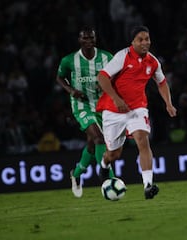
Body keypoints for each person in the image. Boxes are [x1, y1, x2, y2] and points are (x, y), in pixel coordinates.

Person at [96, 25, 177, 199]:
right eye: (140, 39)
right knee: (114, 154)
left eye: (147, 39)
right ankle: (104, 165)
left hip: (137, 108)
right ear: (132, 41)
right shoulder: (122, 56)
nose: (144, 42)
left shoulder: (153, 62)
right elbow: (102, 77)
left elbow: (161, 83)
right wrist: (117, 99)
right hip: (113, 110)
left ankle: (148, 186)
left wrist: (168, 104)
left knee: (142, 139)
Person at [56, 26, 114, 198]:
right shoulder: (69, 60)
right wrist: (71, 90)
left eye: (91, 38)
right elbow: (59, 77)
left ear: (95, 39)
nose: (88, 41)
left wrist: (105, 83)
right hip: (82, 105)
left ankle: (76, 174)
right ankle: (108, 180)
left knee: (92, 143)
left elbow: (117, 74)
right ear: (79, 40)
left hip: (102, 105)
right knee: (99, 138)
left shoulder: (106, 57)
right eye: (85, 38)